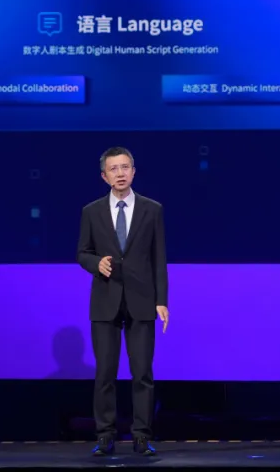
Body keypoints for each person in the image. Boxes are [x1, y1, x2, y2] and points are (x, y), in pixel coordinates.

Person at [76, 147, 169, 457]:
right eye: (114, 169)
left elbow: (159, 258)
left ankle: (142, 436)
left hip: (142, 300)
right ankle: (105, 436)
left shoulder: (152, 209)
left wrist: (161, 300)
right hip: (105, 300)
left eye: (125, 167)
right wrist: (96, 264)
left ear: (134, 171)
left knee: (142, 372)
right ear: (104, 176)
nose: (120, 173)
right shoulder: (91, 211)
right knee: (105, 373)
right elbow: (82, 252)